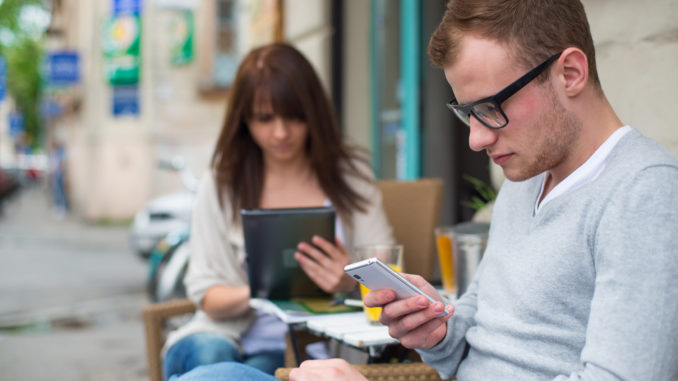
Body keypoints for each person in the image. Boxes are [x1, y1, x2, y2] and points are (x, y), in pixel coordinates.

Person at [184, 0, 678, 380]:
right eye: (466, 113)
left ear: (569, 73)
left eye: (491, 107)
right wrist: (439, 328)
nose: (477, 138)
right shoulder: (526, 181)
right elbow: (471, 345)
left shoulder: (643, 195)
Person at [161, 43, 394, 380]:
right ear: (244, 119)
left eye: (294, 117)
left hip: (305, 351)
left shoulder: (349, 174)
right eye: (265, 119)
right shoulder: (223, 184)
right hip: (219, 337)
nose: (281, 133)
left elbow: (386, 265)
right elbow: (208, 296)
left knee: (240, 374)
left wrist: (347, 281)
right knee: (214, 358)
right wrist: (262, 289)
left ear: (313, 112)